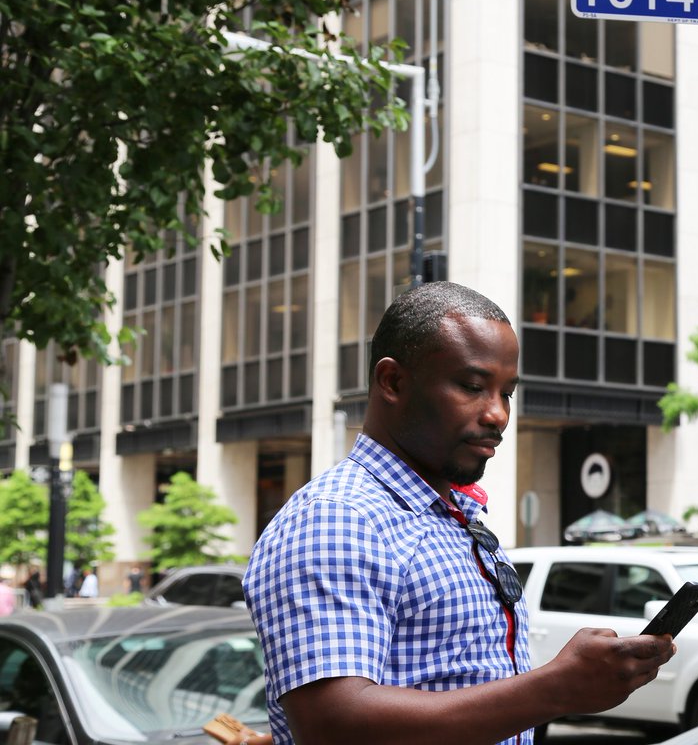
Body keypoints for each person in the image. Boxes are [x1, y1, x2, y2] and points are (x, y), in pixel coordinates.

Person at [243, 282, 675, 745]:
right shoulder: (338, 519)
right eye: (472, 387)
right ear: (392, 382)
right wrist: (555, 688)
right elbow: (333, 724)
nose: (498, 415)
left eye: (506, 393)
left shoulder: (451, 515)